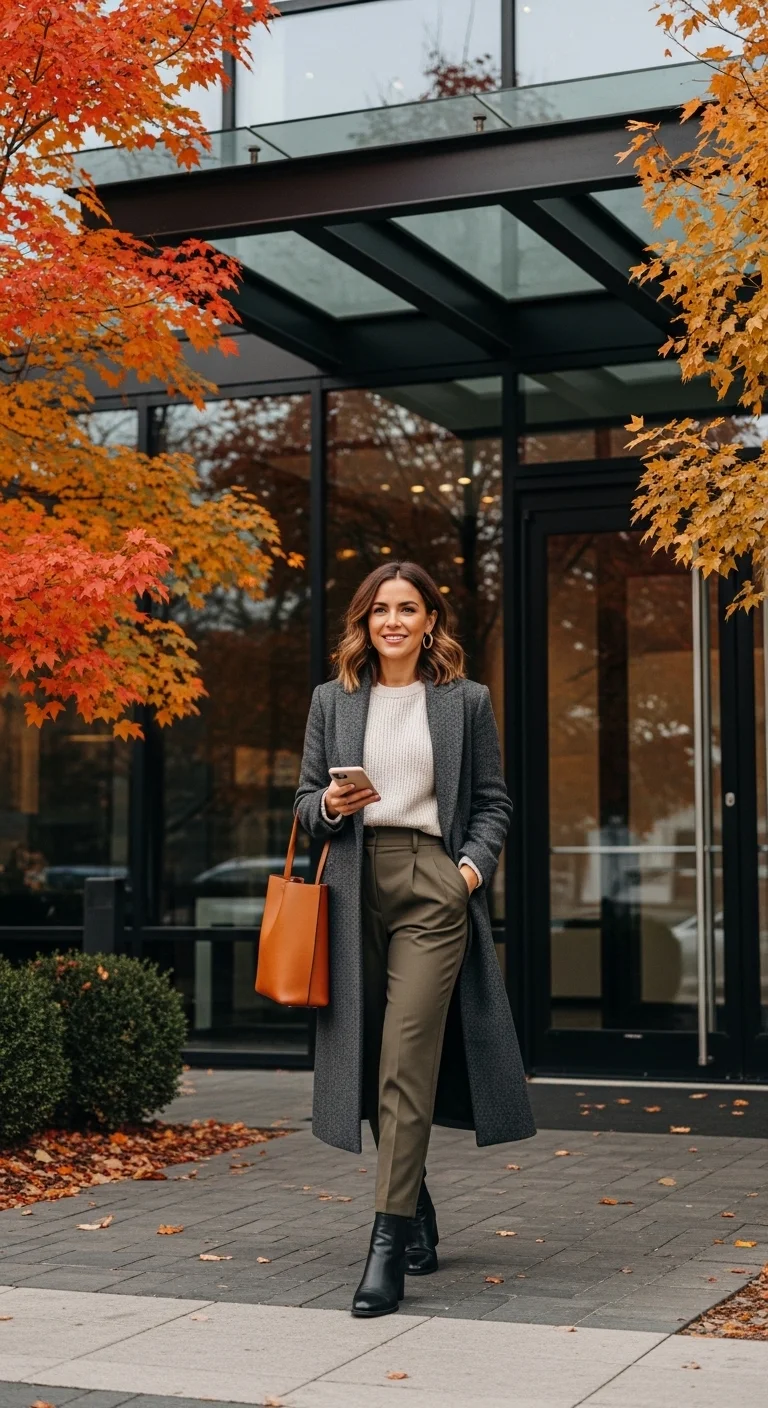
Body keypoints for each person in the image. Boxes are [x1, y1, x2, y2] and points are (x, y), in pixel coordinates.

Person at [294, 561, 535, 1318]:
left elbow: (494, 802)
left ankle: (385, 1247)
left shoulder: (466, 702)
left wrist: (467, 872)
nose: (392, 622)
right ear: (364, 623)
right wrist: (329, 802)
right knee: (367, 1053)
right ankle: (418, 1206)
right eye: (378, 611)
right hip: (349, 887)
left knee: (406, 1057)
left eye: (407, 609)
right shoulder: (331, 700)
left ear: (431, 619)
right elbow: (303, 805)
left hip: (432, 885)